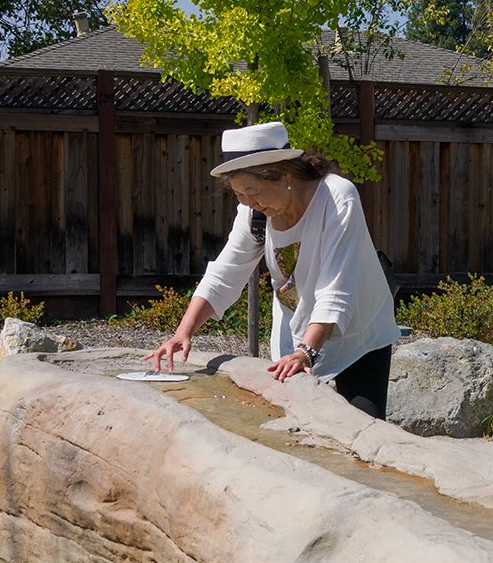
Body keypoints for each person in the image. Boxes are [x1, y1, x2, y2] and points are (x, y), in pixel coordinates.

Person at [144, 121, 400, 418]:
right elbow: (225, 274)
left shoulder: (337, 197)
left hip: (360, 333)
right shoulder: (254, 213)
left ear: (285, 176)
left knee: (362, 427)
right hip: (295, 333)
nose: (249, 203)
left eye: (254, 192)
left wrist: (307, 351)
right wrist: (183, 332)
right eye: (239, 194)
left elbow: (336, 289)